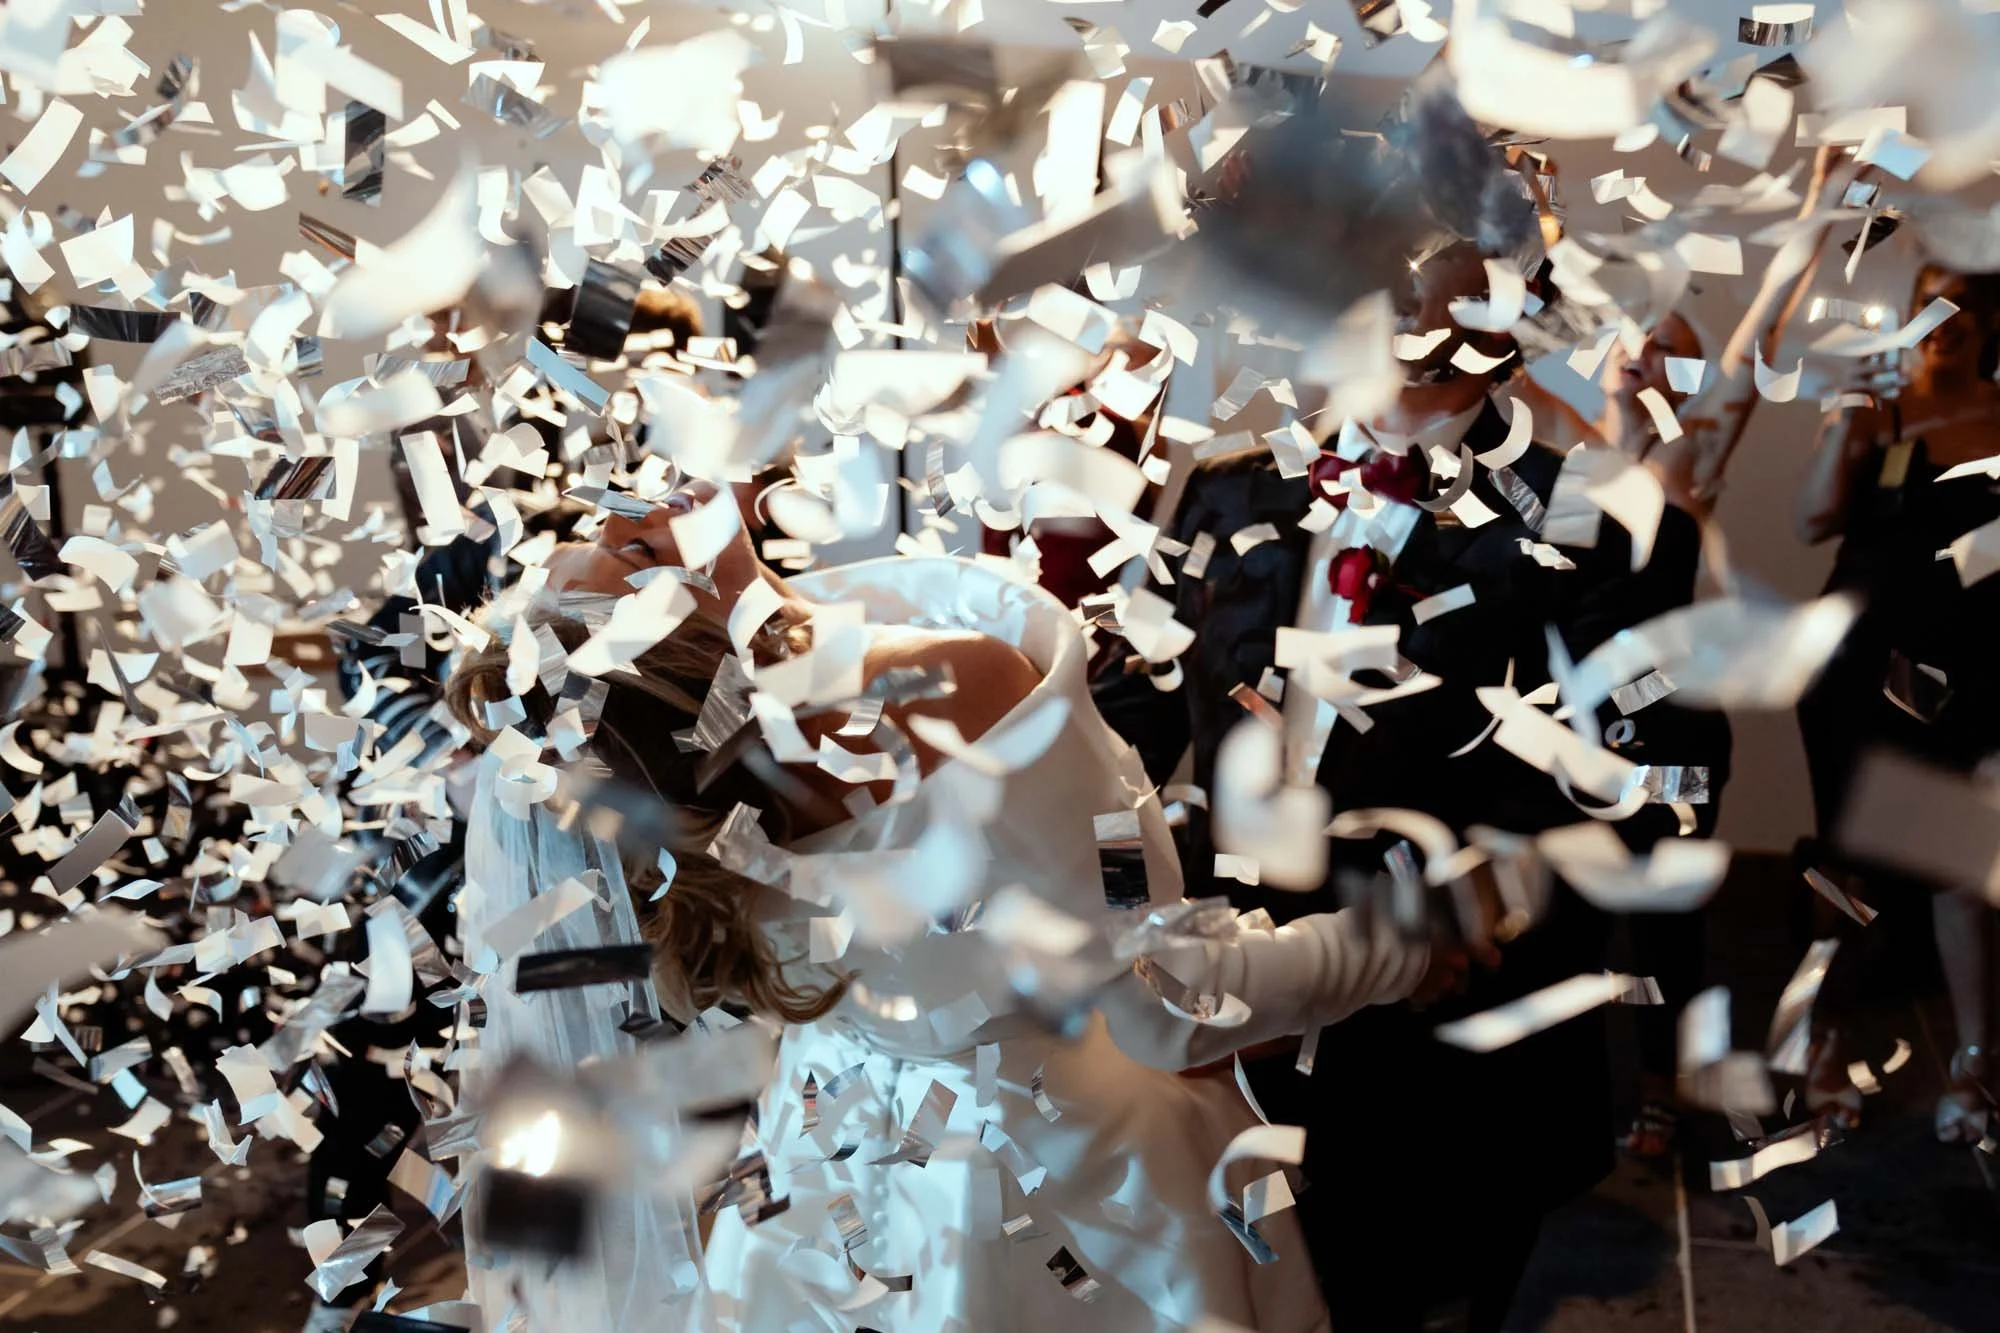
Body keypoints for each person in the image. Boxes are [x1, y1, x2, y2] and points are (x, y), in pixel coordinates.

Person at [444, 479, 1439, 1332]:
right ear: (682, 628)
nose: (650, 504)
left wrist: (755, 589)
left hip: (831, 1160)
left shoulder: (667, 806)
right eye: (628, 545)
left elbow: (764, 680)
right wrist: (1401, 940)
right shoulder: (961, 683)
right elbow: (1167, 999)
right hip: (1070, 1176)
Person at [1176, 236, 1717, 1331]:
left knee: (1417, 1287)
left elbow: (1659, 782)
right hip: (1244, 996)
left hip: (1449, 1021)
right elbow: (1125, 716)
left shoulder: (1598, 525)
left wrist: (1476, 913)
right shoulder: (1228, 492)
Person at [1519, 313, 1736, 1159]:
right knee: (1562, 912)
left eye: (1670, 347)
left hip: (1672, 731)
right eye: (1635, 341)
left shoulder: (1694, 455)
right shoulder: (1572, 452)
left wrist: (1815, 203)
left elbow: (1750, 345)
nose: (1645, 355)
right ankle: (1561, 1089)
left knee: (1663, 921)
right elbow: (1495, 345)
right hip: (1578, 727)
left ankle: (1659, 1088)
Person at [1794, 263, 2000, 1143]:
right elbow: (1812, 522)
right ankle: (1823, 1046)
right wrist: (1848, 416)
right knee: (1855, 873)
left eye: (1967, 300)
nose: (1945, 315)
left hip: (1976, 671)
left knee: (1965, 869)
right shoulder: (1881, 408)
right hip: (1865, 667)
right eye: (1930, 298)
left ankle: (1977, 1069)